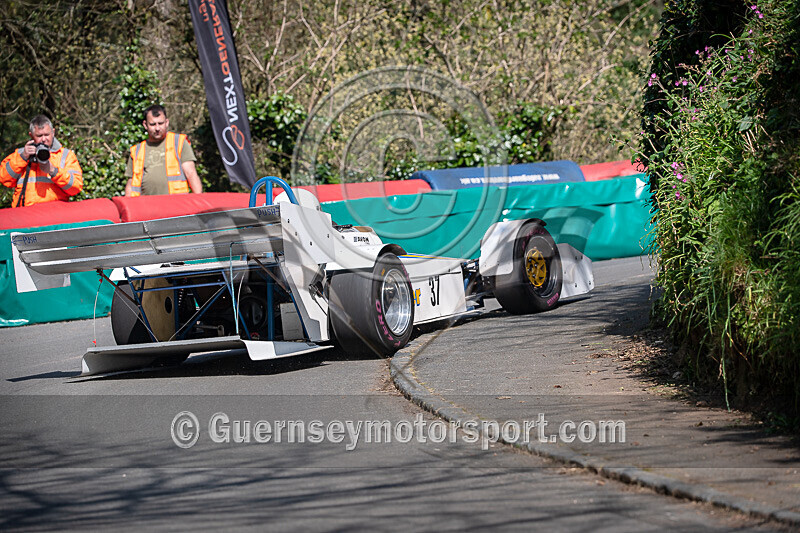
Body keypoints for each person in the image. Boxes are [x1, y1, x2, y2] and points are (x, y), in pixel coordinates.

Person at [0, 115, 83, 208]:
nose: (44, 139)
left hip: (54, 214)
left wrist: (54, 171)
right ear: (31, 135)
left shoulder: (65, 155)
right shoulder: (21, 154)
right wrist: (23, 157)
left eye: (47, 135)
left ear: (53, 133)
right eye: (39, 136)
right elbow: (4, 178)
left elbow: (76, 188)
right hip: (25, 214)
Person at [124, 104, 203, 197]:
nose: (157, 128)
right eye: (153, 124)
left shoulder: (179, 143)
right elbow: (130, 184)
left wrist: (199, 202)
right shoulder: (137, 151)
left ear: (167, 122)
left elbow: (191, 173)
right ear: (145, 125)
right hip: (146, 207)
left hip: (177, 205)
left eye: (160, 123)